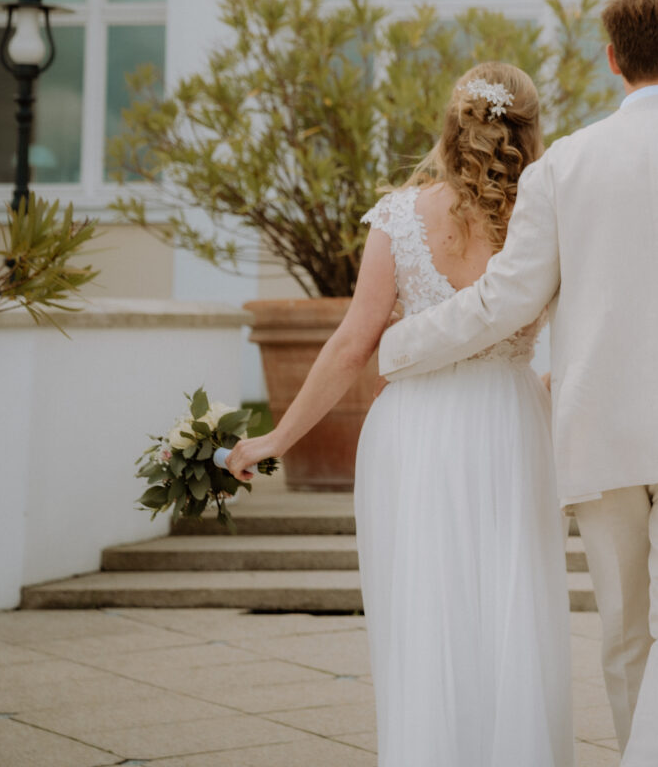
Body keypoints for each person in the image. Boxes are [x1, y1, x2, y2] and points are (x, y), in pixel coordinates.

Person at [375, 0, 658, 767]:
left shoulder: (564, 168)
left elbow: (505, 299)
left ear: (613, 59)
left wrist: (401, 349)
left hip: (598, 431)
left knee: (627, 636)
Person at [226, 62, 572, 767]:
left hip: (417, 429)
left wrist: (278, 437)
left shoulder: (400, 217)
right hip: (511, 422)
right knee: (512, 605)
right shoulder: (546, 223)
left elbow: (354, 342)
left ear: (451, 127)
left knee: (423, 608)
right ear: (530, 133)